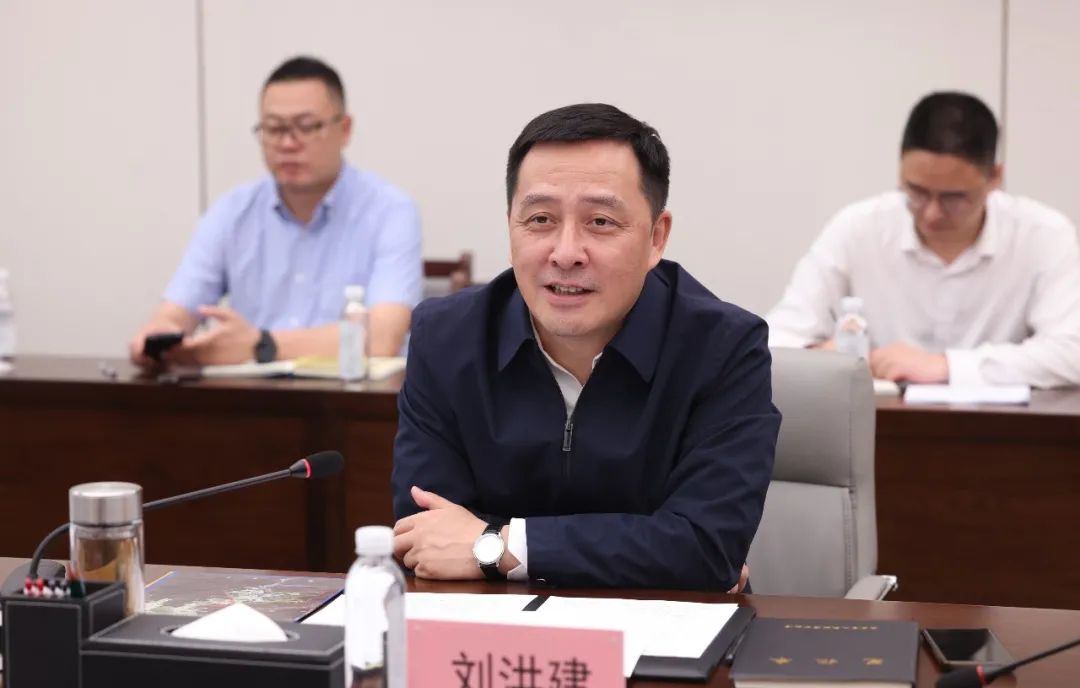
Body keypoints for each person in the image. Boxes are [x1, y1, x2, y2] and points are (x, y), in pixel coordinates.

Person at [390, 103, 780, 591]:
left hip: (663, 629)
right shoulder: (446, 338)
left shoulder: (724, 348)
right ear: (510, 228)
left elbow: (705, 549)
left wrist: (495, 545)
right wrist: (654, 548)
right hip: (492, 627)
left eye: (600, 222)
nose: (566, 253)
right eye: (540, 219)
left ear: (657, 238)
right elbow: (425, 534)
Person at [766, 91, 1080, 388]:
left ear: (995, 178)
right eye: (916, 192)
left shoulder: (1043, 235)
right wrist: (825, 357)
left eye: (954, 198)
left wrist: (946, 366)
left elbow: (1072, 352)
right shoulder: (858, 228)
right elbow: (777, 339)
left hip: (1002, 424)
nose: (931, 214)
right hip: (880, 421)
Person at [128, 56, 422, 367]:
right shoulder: (231, 212)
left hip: (347, 392)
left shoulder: (390, 211)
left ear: (345, 129)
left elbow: (382, 338)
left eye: (306, 127)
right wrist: (156, 337)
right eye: (273, 128)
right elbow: (177, 312)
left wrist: (261, 345)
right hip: (253, 394)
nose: (287, 143)